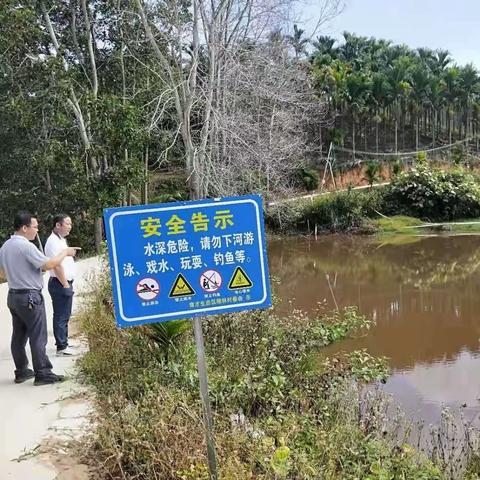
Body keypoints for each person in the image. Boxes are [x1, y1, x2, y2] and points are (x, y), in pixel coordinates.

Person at [0, 212, 80, 385]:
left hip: (13, 295)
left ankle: (21, 371)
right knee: (38, 335)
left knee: (19, 336)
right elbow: (49, 264)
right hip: (30, 296)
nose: (37, 230)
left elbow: (2, 272)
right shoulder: (26, 246)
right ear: (24, 228)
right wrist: (65, 252)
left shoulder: (5, 246)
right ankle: (43, 373)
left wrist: (19, 274)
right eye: (35, 227)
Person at [44, 214, 77, 356]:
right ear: (58, 225)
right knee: (61, 315)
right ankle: (61, 347)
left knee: (65, 314)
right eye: (67, 224)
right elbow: (56, 266)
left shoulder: (61, 240)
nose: (70, 227)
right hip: (59, 283)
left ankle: (65, 342)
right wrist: (65, 285)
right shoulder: (53, 242)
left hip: (63, 282)